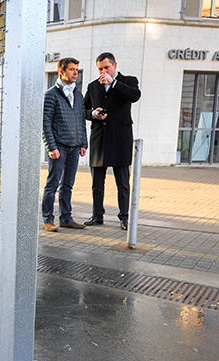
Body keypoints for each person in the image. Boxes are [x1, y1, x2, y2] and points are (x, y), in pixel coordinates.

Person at [83, 52, 141, 230]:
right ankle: (97, 215)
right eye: (100, 68)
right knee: (97, 182)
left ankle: (124, 217)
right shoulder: (93, 86)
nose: (103, 71)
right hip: (99, 138)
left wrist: (113, 83)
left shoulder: (128, 81)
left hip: (120, 138)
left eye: (106, 67)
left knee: (122, 182)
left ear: (115, 65)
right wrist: (93, 114)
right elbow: (82, 109)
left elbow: (135, 95)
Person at [41, 57, 88, 232]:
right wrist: (51, 147)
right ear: (62, 72)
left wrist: (83, 143)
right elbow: (46, 123)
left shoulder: (78, 94)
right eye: (71, 69)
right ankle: (47, 219)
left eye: (76, 69)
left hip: (74, 147)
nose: (75, 72)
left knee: (68, 184)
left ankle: (66, 218)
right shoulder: (51, 94)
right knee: (52, 184)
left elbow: (81, 121)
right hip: (58, 147)